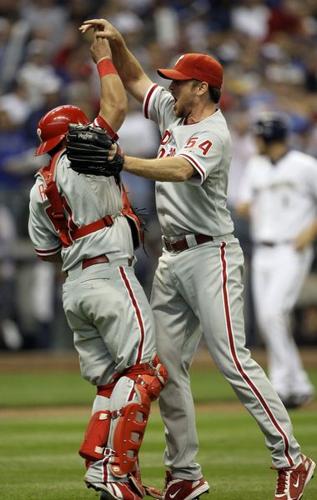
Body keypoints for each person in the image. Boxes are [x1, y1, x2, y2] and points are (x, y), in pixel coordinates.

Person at [77, 19, 316, 500]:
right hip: (171, 256)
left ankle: (291, 457)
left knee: (234, 362)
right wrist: (119, 45)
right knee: (163, 369)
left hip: (211, 254)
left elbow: (180, 169)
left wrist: (121, 161)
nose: (169, 86)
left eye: (179, 81)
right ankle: (184, 474)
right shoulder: (174, 111)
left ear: (201, 88)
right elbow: (137, 80)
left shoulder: (213, 132)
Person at [28, 33, 167, 500]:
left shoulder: (38, 186)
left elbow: (46, 253)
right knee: (146, 372)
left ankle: (103, 471)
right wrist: (104, 59)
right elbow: (115, 107)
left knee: (111, 382)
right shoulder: (82, 155)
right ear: (72, 134)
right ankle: (113, 468)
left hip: (75, 286)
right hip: (110, 272)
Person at [236, 112, 316, 409]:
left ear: (270, 137)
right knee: (270, 319)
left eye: (258, 136)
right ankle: (298, 384)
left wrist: (310, 231)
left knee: (272, 314)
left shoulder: (305, 165)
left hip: (292, 249)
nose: (255, 141)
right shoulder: (256, 166)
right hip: (263, 250)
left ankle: (283, 385)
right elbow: (243, 203)